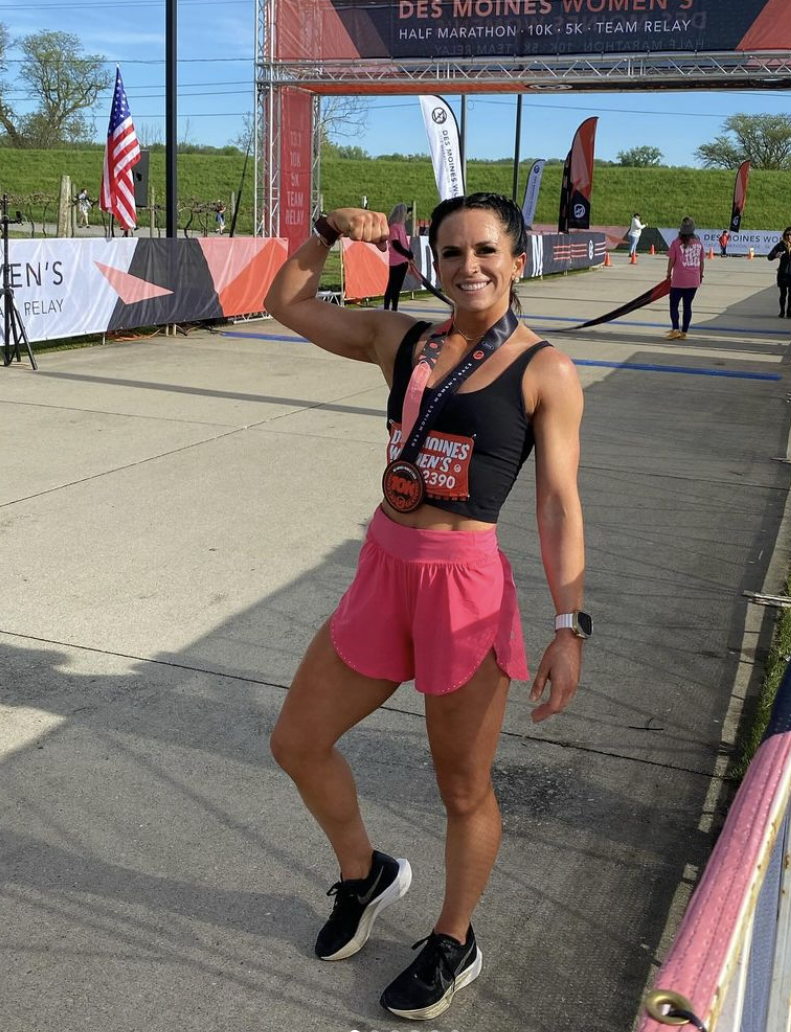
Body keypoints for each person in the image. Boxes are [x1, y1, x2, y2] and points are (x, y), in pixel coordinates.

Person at [263, 192, 587, 1021]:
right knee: (298, 741)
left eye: (486, 251)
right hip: (384, 567)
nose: (468, 267)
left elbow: (556, 504)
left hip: (464, 588)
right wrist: (329, 234)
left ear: (520, 260)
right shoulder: (401, 340)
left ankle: (454, 938)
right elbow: (286, 303)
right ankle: (364, 872)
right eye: (451, 254)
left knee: (463, 788)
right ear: (432, 263)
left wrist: (567, 622)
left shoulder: (544, 370)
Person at [665, 216, 704, 340]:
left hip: (679, 280)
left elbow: (672, 260)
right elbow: (701, 261)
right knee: (687, 306)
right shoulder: (698, 244)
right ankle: (684, 332)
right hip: (694, 279)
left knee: (674, 304)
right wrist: (700, 275)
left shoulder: (676, 243)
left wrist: (668, 274)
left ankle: (675, 329)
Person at [384, 203, 411, 311]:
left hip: (403, 260)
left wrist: (408, 253)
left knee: (397, 287)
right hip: (396, 261)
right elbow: (396, 244)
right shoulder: (394, 227)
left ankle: (394, 308)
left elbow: (403, 243)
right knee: (392, 285)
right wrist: (406, 253)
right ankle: (387, 308)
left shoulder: (401, 227)